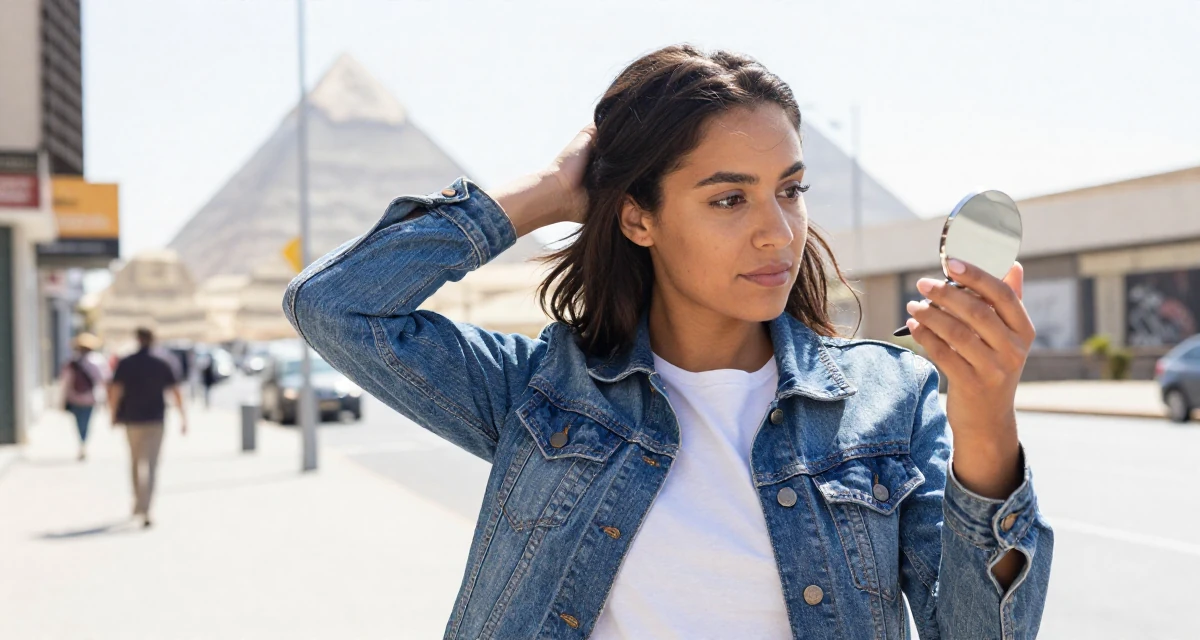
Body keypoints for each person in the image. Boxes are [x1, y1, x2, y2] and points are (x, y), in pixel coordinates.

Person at [284, 46, 1052, 639]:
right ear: (636, 218)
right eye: (728, 198)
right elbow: (335, 306)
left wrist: (986, 420)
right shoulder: (545, 394)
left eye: (790, 190)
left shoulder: (887, 401)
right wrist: (552, 191)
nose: (777, 231)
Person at [108, 327, 188, 528]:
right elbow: (176, 391)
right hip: (155, 419)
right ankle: (147, 509)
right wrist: (183, 417)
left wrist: (112, 414)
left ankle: (138, 503)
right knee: (151, 464)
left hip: (132, 419)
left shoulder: (126, 362)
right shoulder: (163, 362)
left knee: (135, 462)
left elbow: (115, 390)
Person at [61, 332, 107, 461]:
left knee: (78, 422)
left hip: (75, 397)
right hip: (89, 398)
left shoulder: (72, 362)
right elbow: (102, 380)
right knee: (86, 422)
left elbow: (65, 382)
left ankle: (82, 443)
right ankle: (84, 443)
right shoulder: (96, 361)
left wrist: (62, 399)